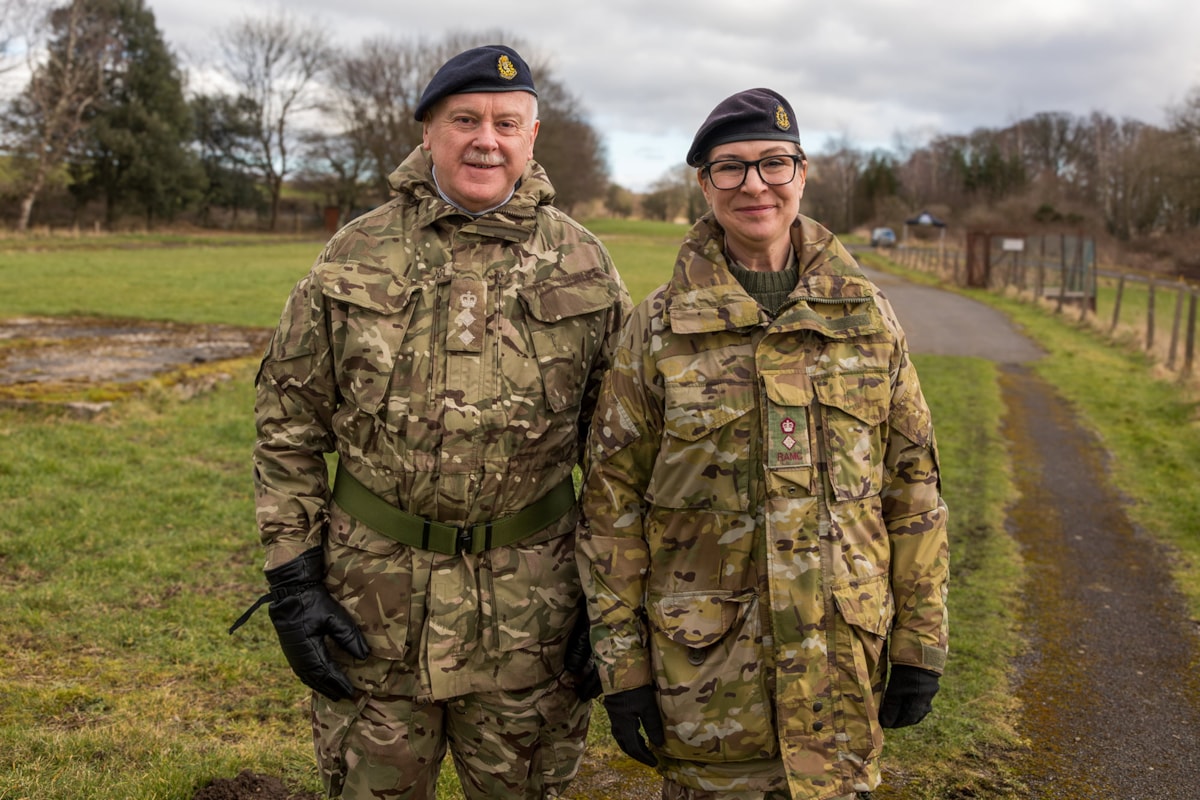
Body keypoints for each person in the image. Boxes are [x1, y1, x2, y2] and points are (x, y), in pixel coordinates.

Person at [235, 44, 630, 799]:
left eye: (506, 123)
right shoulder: (353, 254)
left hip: (531, 616)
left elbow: (620, 456)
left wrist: (608, 599)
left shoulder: (585, 266)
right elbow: (287, 422)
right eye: (465, 119)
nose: (486, 138)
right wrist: (293, 579)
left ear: (532, 136)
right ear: (428, 133)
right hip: (372, 606)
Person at [577, 88, 949, 800]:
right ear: (704, 184)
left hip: (841, 683)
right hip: (710, 692)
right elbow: (610, 510)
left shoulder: (868, 321)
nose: (754, 185)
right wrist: (622, 669)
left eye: (773, 163)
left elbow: (914, 490)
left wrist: (920, 644)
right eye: (731, 167)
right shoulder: (656, 332)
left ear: (802, 173)